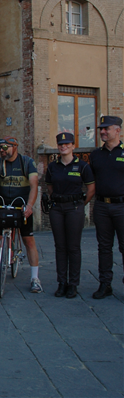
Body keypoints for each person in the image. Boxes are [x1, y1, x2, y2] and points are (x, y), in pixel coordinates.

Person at [0, 136, 42, 293]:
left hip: (21, 205)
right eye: (0, 148)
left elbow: (34, 186)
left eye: (5, 148)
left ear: (14, 147)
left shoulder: (27, 162)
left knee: (28, 240)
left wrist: (29, 206)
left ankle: (35, 278)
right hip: (1, 204)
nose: (2, 151)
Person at [45, 132, 95, 298]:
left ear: (73, 146)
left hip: (74, 208)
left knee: (73, 247)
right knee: (60, 247)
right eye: (60, 144)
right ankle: (62, 283)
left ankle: (73, 284)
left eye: (67, 144)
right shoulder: (53, 166)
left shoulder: (82, 166)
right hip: (57, 208)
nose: (63, 147)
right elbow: (50, 187)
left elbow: (90, 189)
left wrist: (80, 204)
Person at [89, 115, 124, 299]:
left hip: (122, 206)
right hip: (102, 206)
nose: (102, 131)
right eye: (101, 128)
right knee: (104, 247)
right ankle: (105, 284)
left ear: (117, 130)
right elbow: (90, 180)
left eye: (106, 128)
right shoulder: (95, 155)